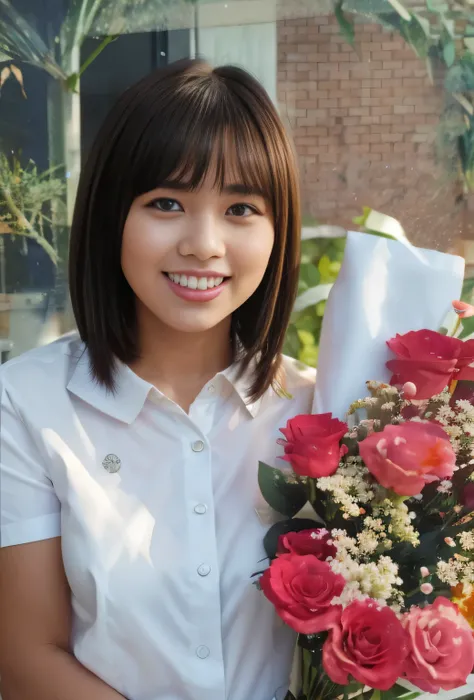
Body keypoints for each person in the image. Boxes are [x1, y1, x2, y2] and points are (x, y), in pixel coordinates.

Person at [0, 59, 315, 700]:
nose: (203, 243)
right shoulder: (26, 403)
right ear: (111, 213)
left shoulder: (321, 411)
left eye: (241, 208)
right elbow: (27, 657)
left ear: (277, 230)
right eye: (166, 203)